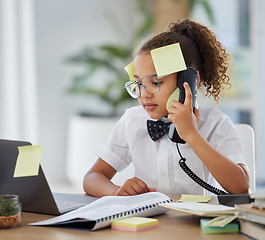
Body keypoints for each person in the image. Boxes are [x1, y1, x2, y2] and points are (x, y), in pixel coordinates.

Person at [83, 19, 249, 197]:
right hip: (149, 222)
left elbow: (240, 187)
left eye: (155, 82)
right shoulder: (132, 120)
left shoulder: (216, 123)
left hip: (194, 223)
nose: (144, 94)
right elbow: (92, 177)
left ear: (189, 82)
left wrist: (191, 134)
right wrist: (117, 192)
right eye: (138, 83)